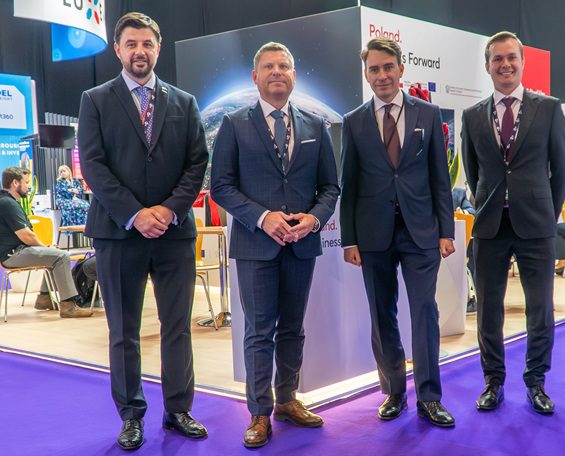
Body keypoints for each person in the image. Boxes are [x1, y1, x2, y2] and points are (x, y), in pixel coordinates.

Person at [77, 12, 209, 451]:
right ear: (117, 49)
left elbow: (197, 163)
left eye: (147, 43)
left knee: (178, 328)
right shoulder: (95, 100)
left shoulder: (184, 102)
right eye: (131, 43)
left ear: (158, 47)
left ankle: (178, 409)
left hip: (174, 233)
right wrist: (136, 214)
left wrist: (168, 211)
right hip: (118, 233)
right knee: (123, 331)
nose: (139, 51)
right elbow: (93, 166)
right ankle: (131, 415)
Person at [211, 42, 339, 448]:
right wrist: (263, 217)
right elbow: (221, 187)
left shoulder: (315, 126)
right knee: (259, 332)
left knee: (293, 329)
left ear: (294, 75)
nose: (277, 72)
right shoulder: (234, 124)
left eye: (284, 66)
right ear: (256, 77)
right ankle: (259, 412)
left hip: (301, 245)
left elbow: (330, 187)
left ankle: (286, 399)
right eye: (269, 66)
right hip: (255, 246)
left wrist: (314, 219)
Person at [340, 38, 456, 427]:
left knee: (424, 312)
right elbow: (349, 184)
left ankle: (430, 397)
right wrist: (349, 239)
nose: (382, 75)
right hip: (373, 235)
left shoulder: (428, 114)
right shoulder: (354, 121)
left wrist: (445, 230)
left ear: (401, 69)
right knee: (381, 314)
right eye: (374, 69)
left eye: (388, 67)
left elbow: (440, 178)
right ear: (366, 74)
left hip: (421, 232)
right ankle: (393, 391)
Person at [461, 31, 565, 415]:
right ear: (487, 66)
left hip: (536, 225)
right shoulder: (472, 116)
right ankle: (493, 382)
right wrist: (487, 204)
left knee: (539, 309)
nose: (505, 65)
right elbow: (473, 171)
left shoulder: (549, 108)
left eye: (511, 57)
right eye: (497, 59)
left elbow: (562, 167)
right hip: (490, 226)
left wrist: (548, 212)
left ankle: (536, 382)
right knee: (488, 310)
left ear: (522, 62)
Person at [0, 167, 92, 318]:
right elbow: (26, 235)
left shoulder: (7, 201)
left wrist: (47, 248)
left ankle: (44, 298)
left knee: (53, 256)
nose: (29, 186)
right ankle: (69, 306)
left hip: (15, 252)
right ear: (15, 183)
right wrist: (45, 246)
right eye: (26, 182)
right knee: (61, 256)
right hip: (13, 254)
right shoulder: (7, 203)